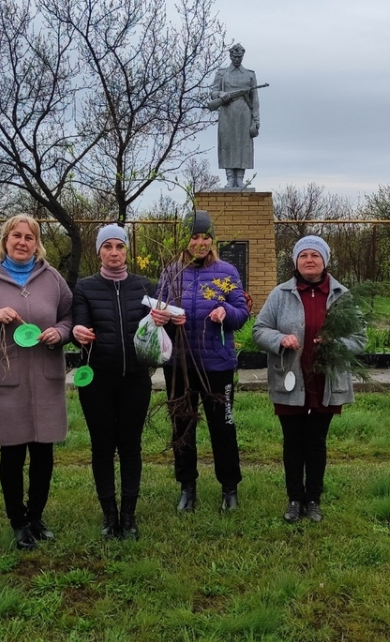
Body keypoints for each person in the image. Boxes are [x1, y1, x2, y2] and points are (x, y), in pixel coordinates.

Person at [0, 214, 73, 551]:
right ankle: (18, 521)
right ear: (6, 240)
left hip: (46, 378)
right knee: (12, 454)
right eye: (16, 236)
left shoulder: (52, 279)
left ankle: (36, 517)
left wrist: (60, 333)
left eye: (30, 237)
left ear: (38, 244)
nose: (23, 242)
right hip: (6, 382)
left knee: (43, 453)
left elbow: (69, 316)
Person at [252, 235, 366, 524]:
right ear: (295, 261)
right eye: (303, 256)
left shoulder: (342, 295)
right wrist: (280, 339)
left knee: (316, 441)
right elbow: (259, 330)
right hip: (290, 378)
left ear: (325, 261)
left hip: (325, 381)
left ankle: (313, 499)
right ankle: (294, 499)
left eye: (315, 255)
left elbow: (360, 338)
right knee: (292, 442)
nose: (309, 260)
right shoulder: (280, 294)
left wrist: (335, 343)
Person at [152, 210, 249, 512]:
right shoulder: (171, 272)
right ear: (185, 239)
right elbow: (158, 311)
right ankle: (187, 487)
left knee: (223, 427)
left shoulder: (226, 272)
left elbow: (241, 314)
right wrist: (164, 318)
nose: (200, 242)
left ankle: (229, 487)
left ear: (212, 239)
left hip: (217, 364)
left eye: (206, 237)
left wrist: (226, 314)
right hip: (179, 365)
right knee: (182, 426)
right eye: (194, 236)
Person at [72, 224, 157, 539]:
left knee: (131, 446)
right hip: (97, 381)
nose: (114, 253)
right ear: (99, 252)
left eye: (119, 247)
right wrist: (78, 332)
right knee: (103, 447)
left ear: (126, 251)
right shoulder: (85, 288)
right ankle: (109, 515)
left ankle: (129, 516)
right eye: (107, 247)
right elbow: (78, 324)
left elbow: (161, 333)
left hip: (135, 379)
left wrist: (164, 322)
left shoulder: (145, 287)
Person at [209, 43, 260, 188]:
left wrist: (256, 121)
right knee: (228, 144)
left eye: (240, 57)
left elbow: (255, 100)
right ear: (230, 56)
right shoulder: (222, 73)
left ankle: (240, 178)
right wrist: (220, 94)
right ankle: (230, 177)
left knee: (243, 145)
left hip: (244, 113)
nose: (237, 59)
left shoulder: (250, 75)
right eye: (235, 56)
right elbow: (213, 93)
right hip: (227, 113)